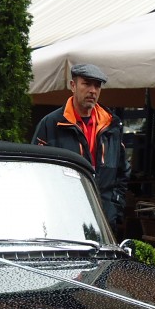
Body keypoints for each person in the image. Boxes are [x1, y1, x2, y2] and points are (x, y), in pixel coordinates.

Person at [31, 62, 130, 237]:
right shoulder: (51, 123)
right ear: (73, 86)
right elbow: (36, 171)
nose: (93, 90)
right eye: (87, 84)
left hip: (103, 221)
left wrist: (114, 207)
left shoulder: (112, 125)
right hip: (62, 220)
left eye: (97, 86)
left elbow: (122, 172)